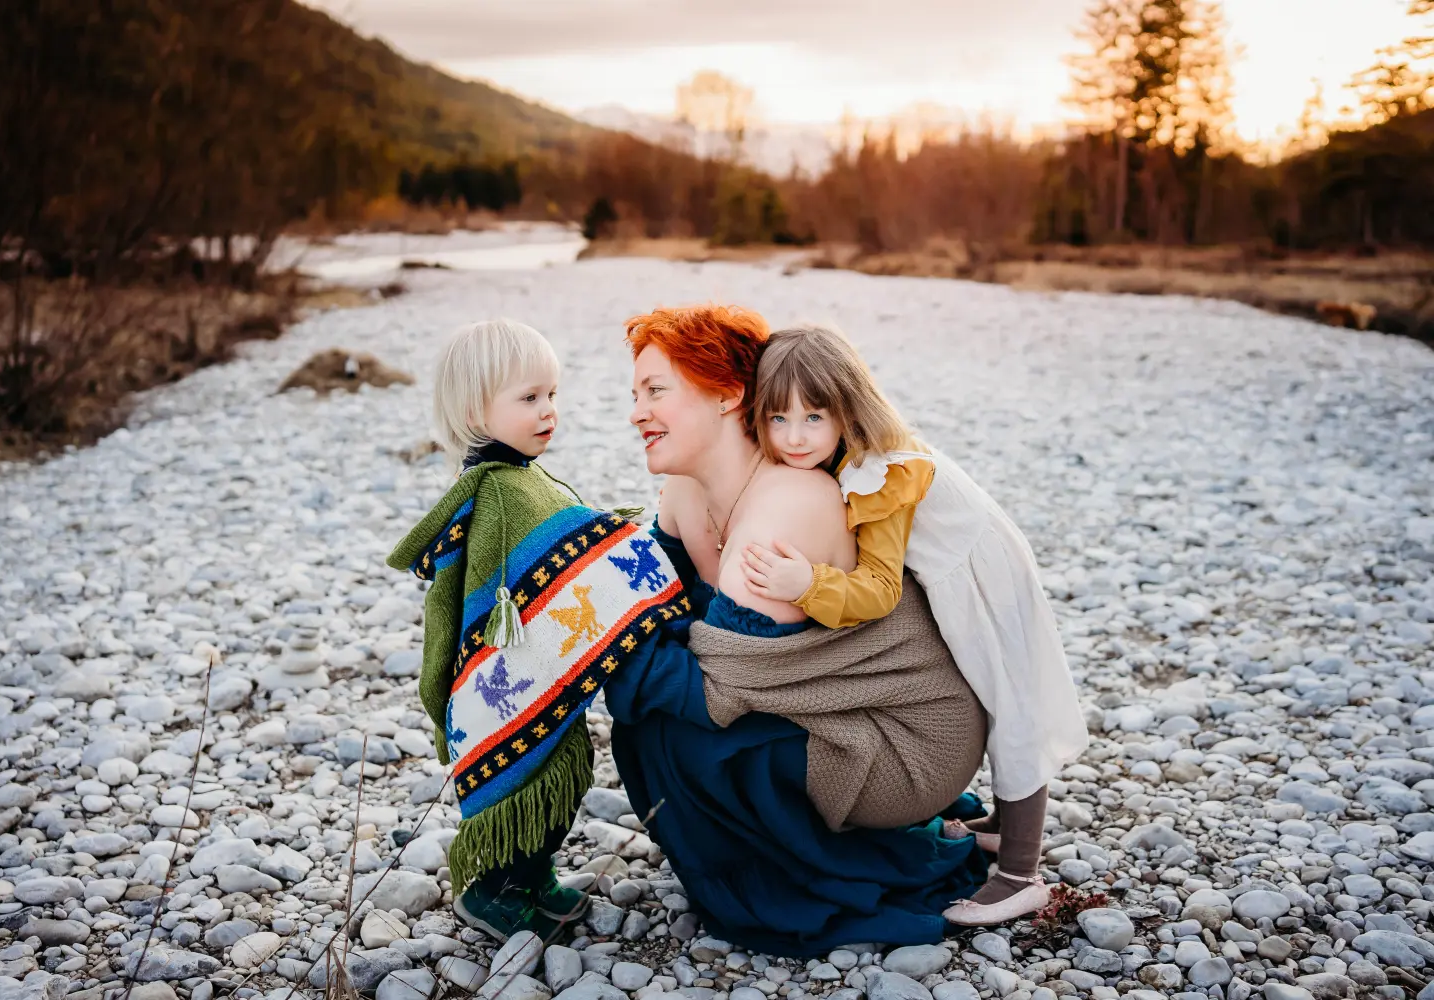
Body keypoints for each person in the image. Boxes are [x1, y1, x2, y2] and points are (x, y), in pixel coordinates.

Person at [606, 304, 991, 955]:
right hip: (833, 711)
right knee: (651, 715)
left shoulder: (785, 506)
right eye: (633, 394)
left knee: (680, 736)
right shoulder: (684, 491)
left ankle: (817, 875)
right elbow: (648, 603)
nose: (636, 412)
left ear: (727, 395)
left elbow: (713, 694)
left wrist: (589, 653)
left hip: (909, 741)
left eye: (655, 392)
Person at [737, 324, 1090, 924]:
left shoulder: (882, 473)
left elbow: (878, 590)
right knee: (989, 690)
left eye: (814, 418)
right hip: (959, 565)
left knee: (1012, 702)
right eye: (778, 419)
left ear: (847, 407)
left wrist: (808, 586)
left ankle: (1021, 873)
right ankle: (1003, 826)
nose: (795, 438)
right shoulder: (848, 454)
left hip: (980, 574)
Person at [386, 319, 685, 941]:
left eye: (552, 394)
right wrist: (624, 540)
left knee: (557, 766)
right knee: (530, 770)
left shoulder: (518, 476)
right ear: (476, 409)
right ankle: (494, 891)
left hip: (534, 672)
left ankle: (536, 878)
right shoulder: (500, 491)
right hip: (513, 680)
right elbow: (541, 564)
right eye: (529, 398)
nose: (548, 411)